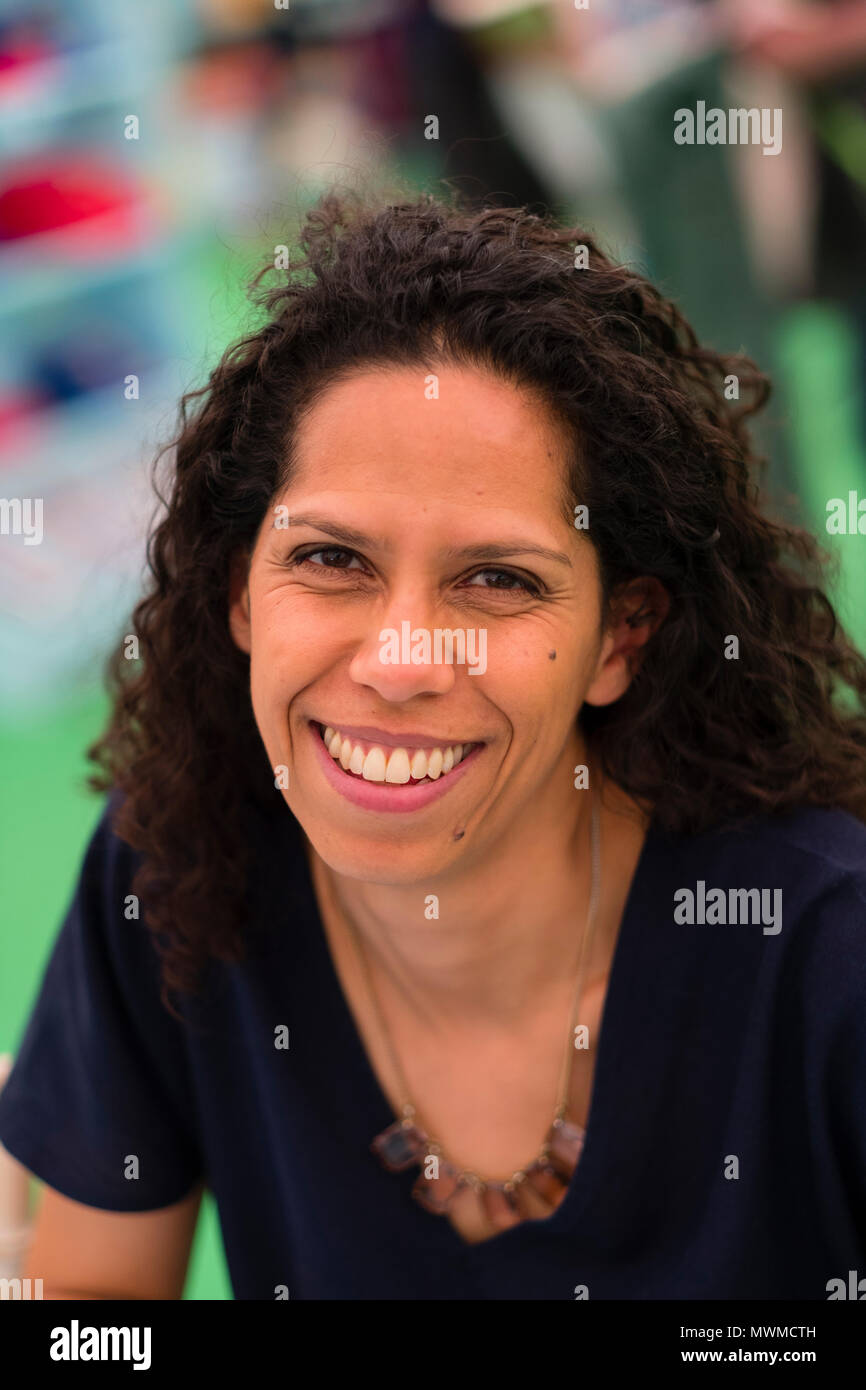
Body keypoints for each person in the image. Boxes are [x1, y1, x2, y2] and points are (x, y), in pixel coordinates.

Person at [1, 190, 865, 1300]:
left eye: (496, 579)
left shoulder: (822, 953)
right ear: (240, 596)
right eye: (330, 560)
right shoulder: (176, 867)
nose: (398, 658)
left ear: (617, 638)